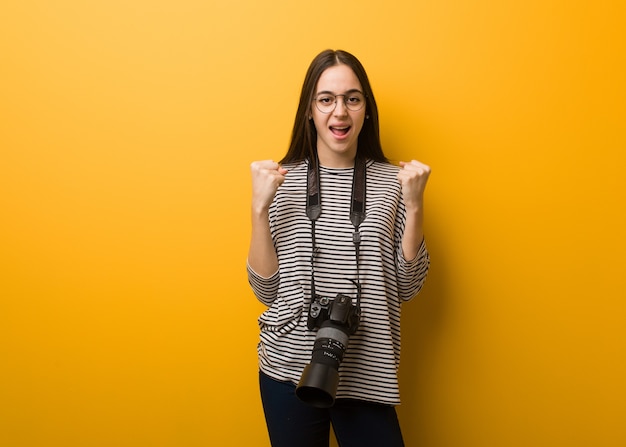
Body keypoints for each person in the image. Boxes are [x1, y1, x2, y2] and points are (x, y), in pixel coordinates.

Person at [247, 49, 431, 447]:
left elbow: (408, 288)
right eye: (326, 99)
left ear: (367, 109)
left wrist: (415, 205)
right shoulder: (280, 180)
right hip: (289, 367)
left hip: (368, 370)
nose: (340, 112)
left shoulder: (395, 183)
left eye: (352, 98)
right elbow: (265, 293)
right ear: (309, 110)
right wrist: (259, 208)